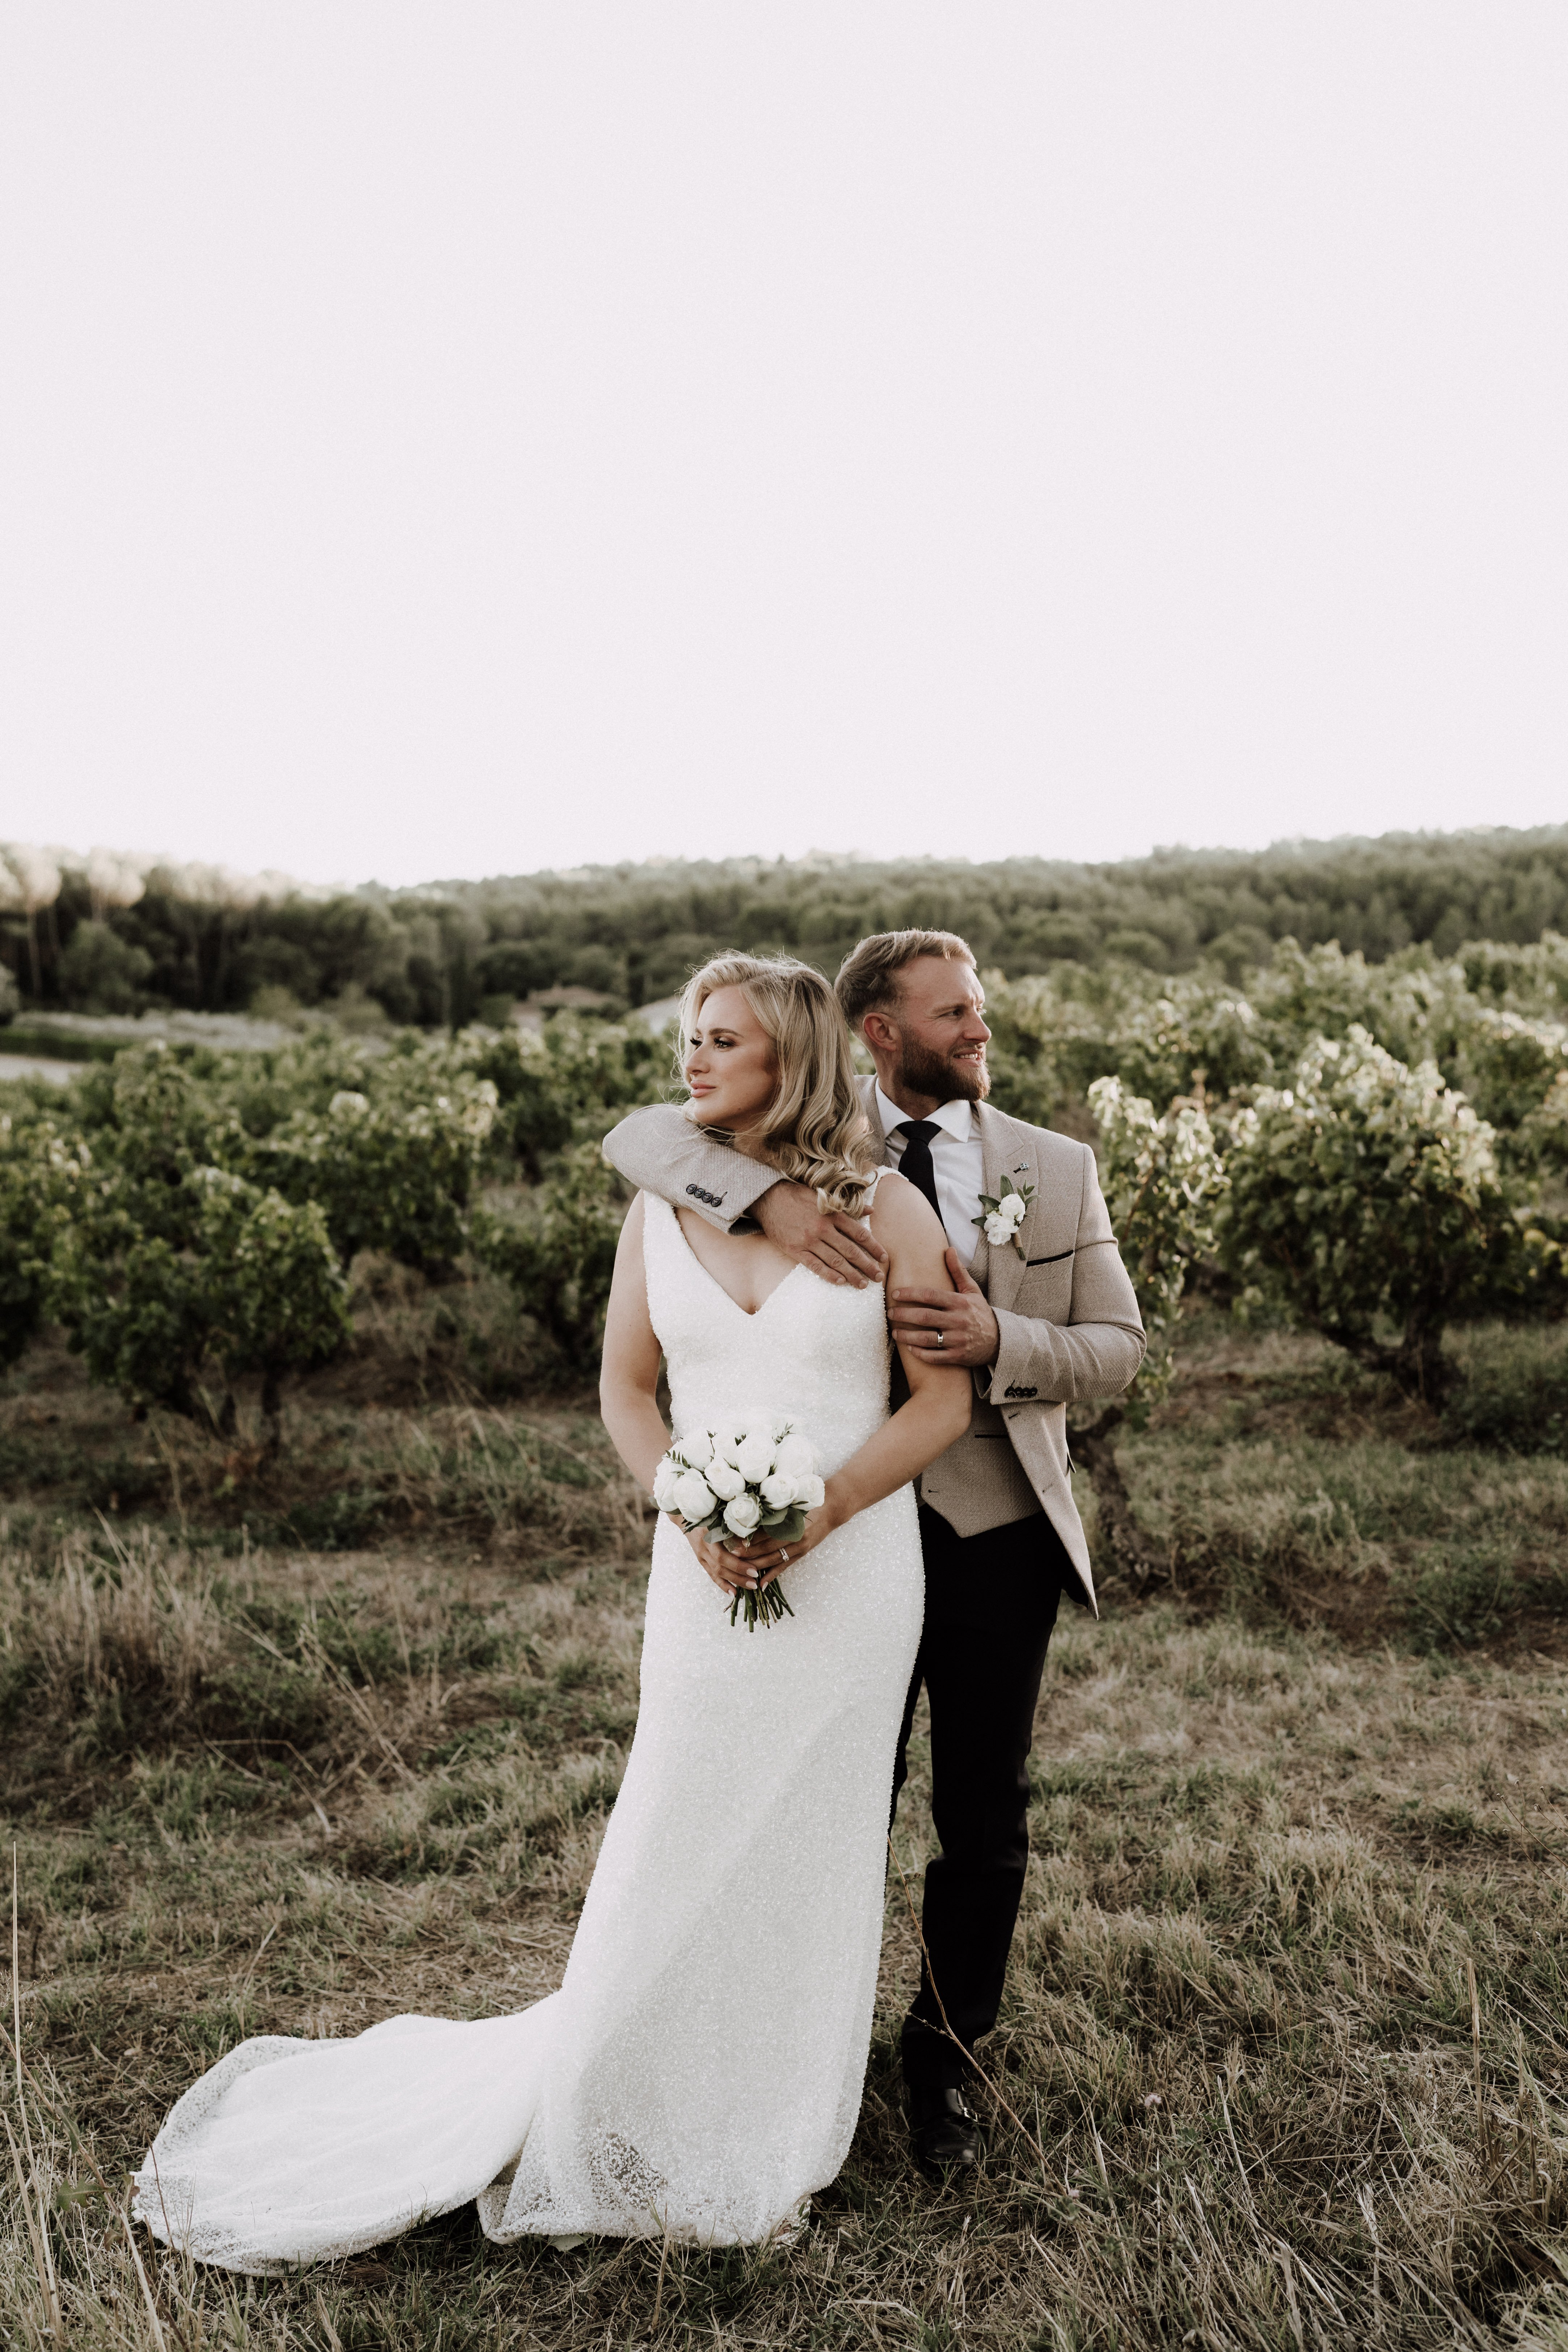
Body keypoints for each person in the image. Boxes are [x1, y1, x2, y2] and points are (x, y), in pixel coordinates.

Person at [131, 955, 971, 2269]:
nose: (691, 1060)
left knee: (815, 1836)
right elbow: (627, 1390)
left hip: (854, 1575)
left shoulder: (888, 1212)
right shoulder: (663, 1200)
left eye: (723, 1041)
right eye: (689, 1036)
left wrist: (828, 1511)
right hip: (696, 1576)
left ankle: (776, 2128)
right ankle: (624, 2088)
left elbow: (940, 1402)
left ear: (792, 1056)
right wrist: (683, 1505)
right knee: (674, 1821)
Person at [603, 928, 1145, 2178]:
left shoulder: (1050, 1167)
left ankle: (945, 2066)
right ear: (877, 1034)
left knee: (981, 1815)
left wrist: (997, 1329)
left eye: (980, 1007)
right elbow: (640, 1139)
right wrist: (769, 1196)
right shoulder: (783, 1136)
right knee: (820, 1798)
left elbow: (1117, 1343)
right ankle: (779, 2051)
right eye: (954, 1012)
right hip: (834, 1546)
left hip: (986, 1529)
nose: (980, 1028)